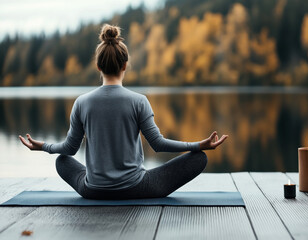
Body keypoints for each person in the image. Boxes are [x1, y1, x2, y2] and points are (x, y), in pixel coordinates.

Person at [18, 24, 228, 200]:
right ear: (125, 65)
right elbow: (158, 144)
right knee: (199, 158)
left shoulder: (81, 103)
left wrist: (44, 146)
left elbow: (69, 149)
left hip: (93, 191)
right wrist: (199, 145)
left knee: (61, 161)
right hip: (138, 189)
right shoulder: (139, 101)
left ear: (98, 67)